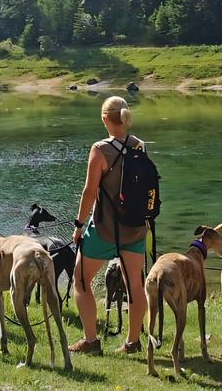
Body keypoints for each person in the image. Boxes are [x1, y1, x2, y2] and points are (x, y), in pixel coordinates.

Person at [68, 95, 147, 355]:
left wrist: (79, 225)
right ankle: (132, 343)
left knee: (80, 280)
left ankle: (91, 341)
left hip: (104, 230)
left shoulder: (100, 149)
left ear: (104, 119)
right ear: (126, 116)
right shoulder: (140, 145)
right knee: (134, 284)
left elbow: (89, 192)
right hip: (135, 229)